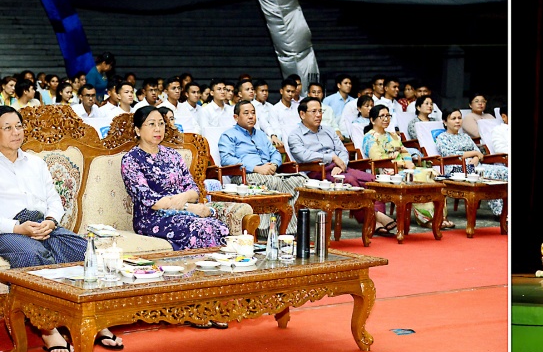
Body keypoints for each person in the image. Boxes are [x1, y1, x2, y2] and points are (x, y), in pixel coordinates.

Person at [0, 105, 123, 352]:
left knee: (85, 251)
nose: (16, 132)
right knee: (33, 257)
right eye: (8, 128)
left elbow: (54, 200)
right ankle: (48, 329)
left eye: (19, 126)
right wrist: (17, 228)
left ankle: (93, 321)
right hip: (8, 229)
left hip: (43, 224)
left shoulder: (35, 163)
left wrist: (51, 220)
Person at [120, 106, 230, 251]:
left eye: (161, 123)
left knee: (219, 227)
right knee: (200, 228)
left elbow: (194, 191)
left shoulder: (173, 155)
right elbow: (151, 201)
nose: (158, 129)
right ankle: (195, 270)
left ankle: (213, 270)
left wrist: (185, 197)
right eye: (152, 124)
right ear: (138, 130)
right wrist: (188, 207)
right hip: (152, 217)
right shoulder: (131, 160)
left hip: (182, 213)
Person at [287, 97, 397, 235]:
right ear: (302, 114)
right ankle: (375, 218)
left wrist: (341, 163)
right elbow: (303, 156)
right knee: (349, 181)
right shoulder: (295, 135)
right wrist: (332, 158)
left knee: (373, 180)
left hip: (340, 168)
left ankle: (375, 220)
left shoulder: (328, 130)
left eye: (320, 111)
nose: (319, 115)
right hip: (316, 172)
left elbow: (342, 151)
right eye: (314, 111)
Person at [219, 101, 308, 234]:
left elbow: (275, 153)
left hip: (270, 174)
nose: (251, 116)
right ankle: (264, 229)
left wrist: (274, 165)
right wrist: (256, 168)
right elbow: (226, 159)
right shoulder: (228, 135)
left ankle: (287, 230)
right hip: (245, 176)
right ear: (236, 117)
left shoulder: (261, 135)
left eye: (253, 113)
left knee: (300, 182)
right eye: (246, 113)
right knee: (273, 182)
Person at [434, 108, 509, 217]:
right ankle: (500, 213)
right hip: (456, 169)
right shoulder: (442, 138)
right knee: (487, 176)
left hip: (475, 166)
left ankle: (507, 210)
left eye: (459, 118)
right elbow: (451, 155)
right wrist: (473, 153)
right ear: (445, 122)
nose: (457, 121)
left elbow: (480, 154)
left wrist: (476, 158)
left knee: (505, 172)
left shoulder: (465, 136)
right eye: (453, 118)